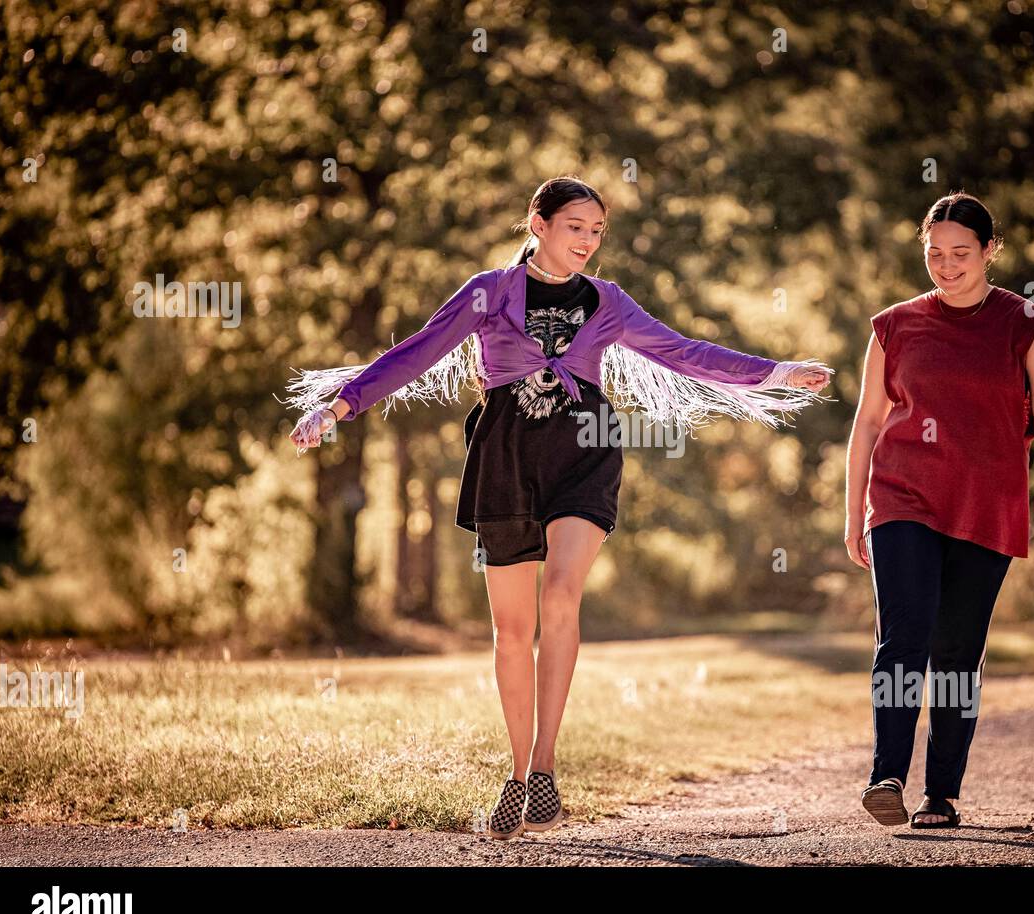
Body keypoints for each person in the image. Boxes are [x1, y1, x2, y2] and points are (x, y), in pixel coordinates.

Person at [288, 176, 833, 839]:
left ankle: (545, 764)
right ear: (537, 224)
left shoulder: (608, 301)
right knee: (512, 633)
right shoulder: (489, 291)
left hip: (584, 451)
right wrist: (338, 404)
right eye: (576, 226)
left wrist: (774, 372)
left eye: (597, 230)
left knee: (560, 597)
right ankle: (519, 778)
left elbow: (684, 352)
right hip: (504, 458)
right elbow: (416, 353)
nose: (588, 240)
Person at [844, 191, 1034, 828]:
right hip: (902, 498)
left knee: (956, 651)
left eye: (960, 253)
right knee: (904, 635)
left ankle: (941, 793)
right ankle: (886, 775)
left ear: (989, 251)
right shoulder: (893, 326)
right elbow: (868, 422)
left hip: (987, 506)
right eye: (934, 253)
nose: (946, 266)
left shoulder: (1026, 324)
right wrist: (853, 511)